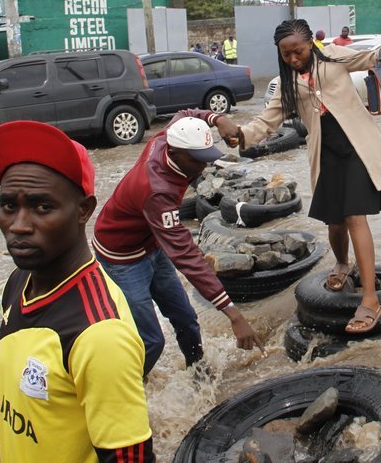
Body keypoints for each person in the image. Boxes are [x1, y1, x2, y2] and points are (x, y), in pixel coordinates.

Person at [0, 120, 154, 463]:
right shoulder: (19, 282)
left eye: (42, 207)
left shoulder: (100, 335)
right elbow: (7, 394)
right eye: (9, 206)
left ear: (83, 210)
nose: (18, 226)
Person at [235, 4, 381, 334]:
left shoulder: (333, 56)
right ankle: (342, 263)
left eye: (298, 51)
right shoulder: (287, 84)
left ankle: (371, 299)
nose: (293, 59)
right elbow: (267, 120)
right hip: (325, 152)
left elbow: (379, 57)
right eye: (286, 54)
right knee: (335, 220)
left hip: (356, 146)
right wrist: (240, 135)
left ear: (310, 45)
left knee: (355, 216)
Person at [92, 110, 262, 375]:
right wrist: (234, 315)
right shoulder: (157, 190)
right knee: (151, 341)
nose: (204, 166)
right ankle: (130, 387)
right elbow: (185, 256)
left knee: (186, 319)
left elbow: (185, 114)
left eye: (206, 156)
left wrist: (218, 119)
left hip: (151, 243)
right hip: (122, 258)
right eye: (197, 159)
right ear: (175, 153)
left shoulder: (167, 137)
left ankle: (198, 373)